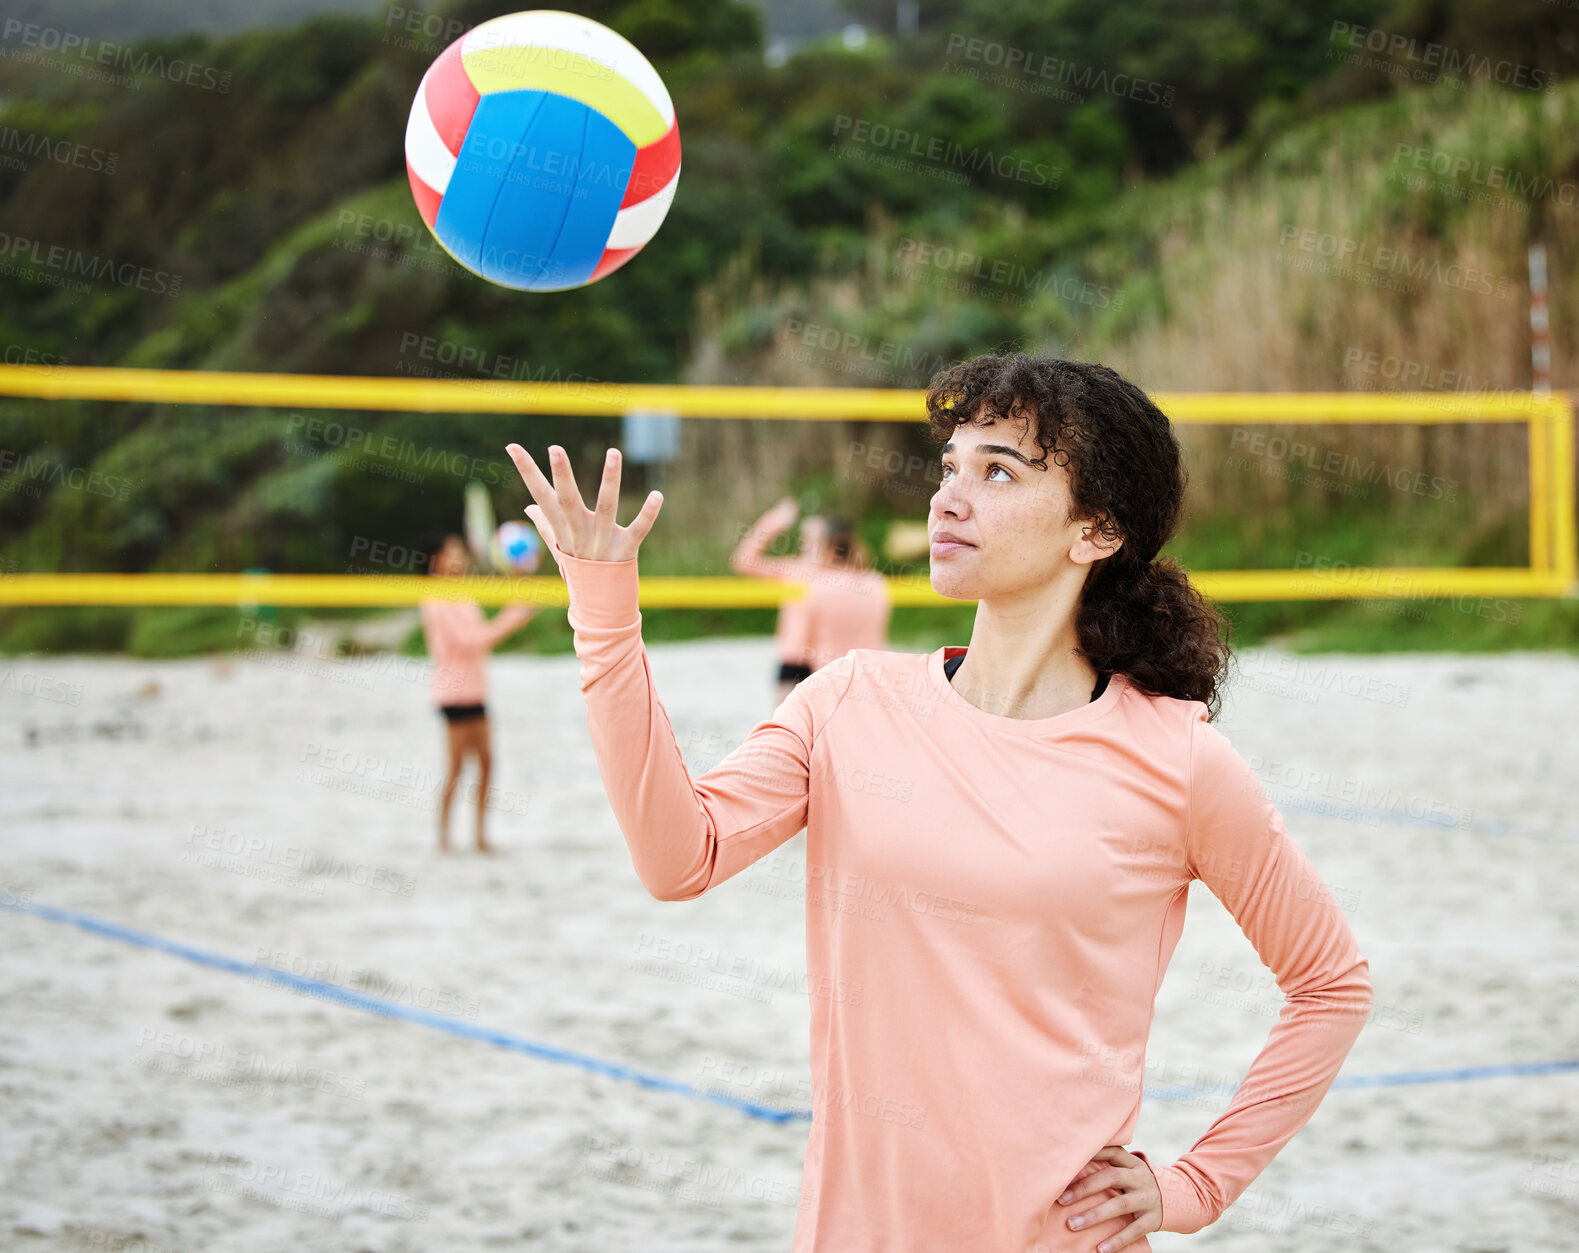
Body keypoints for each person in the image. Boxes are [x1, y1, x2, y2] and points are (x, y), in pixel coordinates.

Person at [504, 353, 1374, 1253]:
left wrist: (1195, 1181)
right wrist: (603, 609)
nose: (947, 498)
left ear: (1097, 530)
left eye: (998, 471)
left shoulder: (1177, 757)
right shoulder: (846, 701)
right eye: (948, 468)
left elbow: (1330, 985)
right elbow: (676, 857)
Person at [418, 531, 543, 854]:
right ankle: (444, 837)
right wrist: (513, 617)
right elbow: (473, 640)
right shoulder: (435, 599)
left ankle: (479, 837)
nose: (460, 555)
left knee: (487, 763)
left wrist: (514, 612)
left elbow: (478, 638)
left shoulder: (461, 593)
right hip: (453, 694)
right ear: (437, 560)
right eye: (453, 550)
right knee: (457, 767)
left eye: (460, 549)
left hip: (475, 690)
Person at [730, 498, 892, 706]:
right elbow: (744, 562)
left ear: (829, 545)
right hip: (852, 670)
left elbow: (743, 561)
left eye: (810, 540)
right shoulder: (872, 581)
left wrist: (775, 521)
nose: (805, 546)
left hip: (815, 667)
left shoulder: (811, 577)